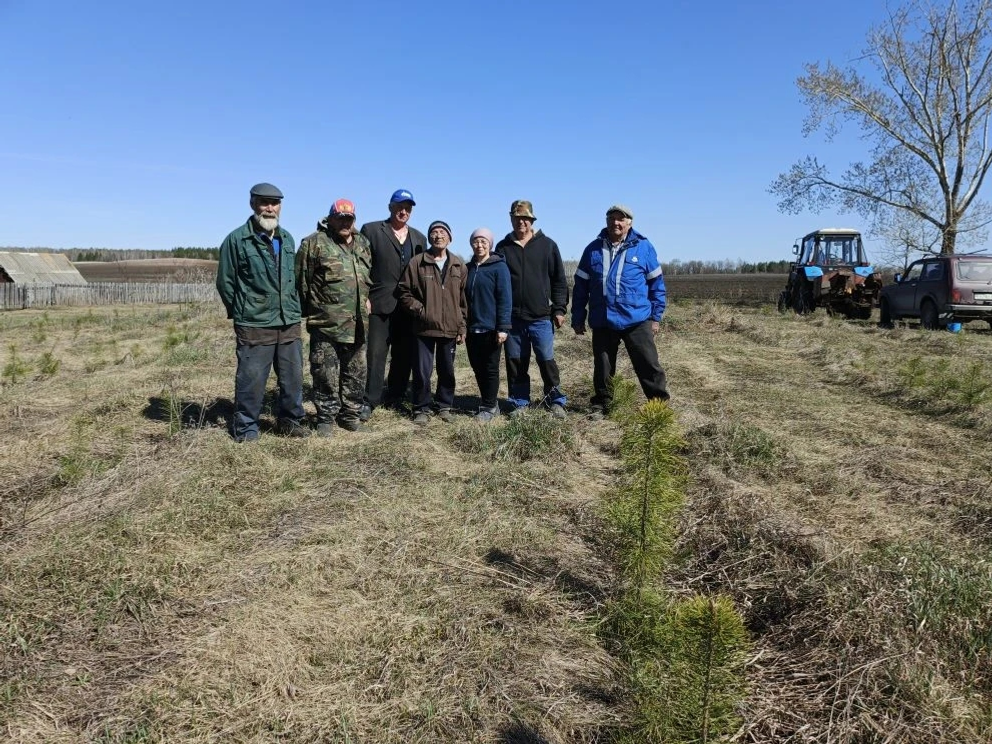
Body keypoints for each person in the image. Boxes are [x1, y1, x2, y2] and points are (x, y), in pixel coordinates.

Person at [215, 183, 309, 442]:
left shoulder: (287, 239)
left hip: (288, 320)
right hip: (255, 323)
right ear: (252, 204)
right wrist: (244, 312)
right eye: (264, 202)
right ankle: (247, 428)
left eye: (275, 203)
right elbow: (226, 282)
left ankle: (290, 421)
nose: (270, 208)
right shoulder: (237, 240)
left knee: (292, 377)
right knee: (252, 379)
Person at [571, 205, 670, 420]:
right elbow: (581, 286)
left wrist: (655, 316)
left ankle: (659, 406)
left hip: (637, 318)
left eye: (621, 219)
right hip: (603, 318)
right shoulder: (592, 249)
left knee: (648, 364)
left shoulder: (643, 247)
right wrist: (578, 316)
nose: (616, 222)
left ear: (629, 223)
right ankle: (602, 405)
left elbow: (656, 284)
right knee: (603, 366)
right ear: (606, 221)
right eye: (612, 218)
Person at [296, 198, 373, 437]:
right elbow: (302, 281)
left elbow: (366, 276)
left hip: (358, 322)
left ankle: (350, 415)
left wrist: (366, 299)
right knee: (325, 373)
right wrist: (314, 309)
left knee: (356, 371)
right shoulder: (314, 243)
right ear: (330, 218)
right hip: (326, 322)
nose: (345, 223)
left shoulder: (362, 243)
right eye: (340, 218)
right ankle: (326, 418)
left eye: (349, 219)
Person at [494, 200, 569, 418]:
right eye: (517, 219)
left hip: (541, 317)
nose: (521, 223)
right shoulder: (502, 247)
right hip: (513, 320)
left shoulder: (547, 245)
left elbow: (559, 281)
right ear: (511, 220)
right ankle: (519, 402)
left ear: (532, 220)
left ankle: (555, 400)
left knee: (546, 360)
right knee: (516, 362)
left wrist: (559, 309)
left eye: (525, 219)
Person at [360, 189, 428, 417]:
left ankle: (396, 396)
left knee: (404, 354)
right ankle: (370, 400)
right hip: (379, 303)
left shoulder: (419, 238)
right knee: (376, 354)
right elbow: (362, 267)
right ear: (390, 207)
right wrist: (365, 297)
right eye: (399, 206)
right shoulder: (371, 230)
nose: (403, 211)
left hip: (408, 307)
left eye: (408, 207)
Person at [395, 220, 467, 426]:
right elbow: (403, 292)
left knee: (447, 370)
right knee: (422, 371)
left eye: (443, 232)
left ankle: (444, 406)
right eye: (434, 232)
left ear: (450, 238)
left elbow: (462, 301)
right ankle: (421, 408)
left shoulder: (458, 265)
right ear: (429, 237)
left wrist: (462, 326)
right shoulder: (418, 262)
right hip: (423, 328)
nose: (438, 236)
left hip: (450, 329)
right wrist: (421, 310)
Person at [465, 227, 511, 422]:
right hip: (471, 327)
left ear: (490, 245)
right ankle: (490, 401)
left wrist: (503, 327)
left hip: (491, 328)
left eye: (484, 241)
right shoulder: (467, 268)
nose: (480, 245)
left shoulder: (499, 267)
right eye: (476, 241)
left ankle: (489, 406)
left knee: (490, 368)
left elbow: (505, 298)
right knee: (477, 366)